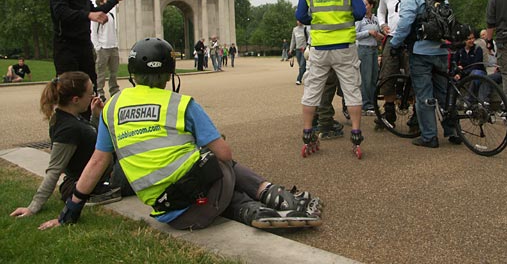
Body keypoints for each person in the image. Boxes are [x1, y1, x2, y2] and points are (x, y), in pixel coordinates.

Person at [38, 38, 322, 231]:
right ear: (169, 73)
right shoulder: (180, 104)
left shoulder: (112, 107)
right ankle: (271, 196)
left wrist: (71, 210)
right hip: (207, 196)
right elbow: (225, 156)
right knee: (216, 158)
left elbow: (98, 162)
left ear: (133, 73)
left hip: (171, 214)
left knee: (196, 179)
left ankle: (252, 209)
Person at [10, 72, 121, 219]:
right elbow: (54, 170)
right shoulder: (68, 128)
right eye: (90, 93)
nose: (93, 96)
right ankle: (98, 193)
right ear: (75, 99)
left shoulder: (66, 116)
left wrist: (96, 116)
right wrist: (33, 207)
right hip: (99, 180)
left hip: (98, 174)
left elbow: (90, 140)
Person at [295, 0, 366, 156]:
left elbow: (300, 14)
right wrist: (343, 18)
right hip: (344, 45)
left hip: (319, 46)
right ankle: (355, 134)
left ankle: (308, 133)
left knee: (312, 89)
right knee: (352, 89)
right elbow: (361, 12)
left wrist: (317, 20)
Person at [389, 0, 461, 148]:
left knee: (424, 95)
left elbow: (404, 25)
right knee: (444, 92)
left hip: (420, 51)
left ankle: (429, 137)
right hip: (440, 50)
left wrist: (395, 44)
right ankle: (453, 130)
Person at [49, 0, 127, 91]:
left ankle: (90, 114)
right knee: (70, 92)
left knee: (90, 88)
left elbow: (94, 10)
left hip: (83, 46)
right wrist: (88, 15)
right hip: (66, 47)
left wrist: (115, 0)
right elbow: (61, 12)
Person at [376, 0, 416, 129]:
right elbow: (380, 11)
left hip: (410, 39)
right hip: (392, 38)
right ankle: (389, 112)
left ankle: (416, 115)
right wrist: (382, 25)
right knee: (387, 75)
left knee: (413, 75)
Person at [355, 0, 384, 115]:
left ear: (371, 6)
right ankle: (365, 105)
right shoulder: (359, 19)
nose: (364, 7)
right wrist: (368, 32)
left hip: (374, 49)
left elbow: (379, 33)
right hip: (364, 49)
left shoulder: (376, 19)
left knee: (373, 78)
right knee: (365, 78)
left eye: (366, 4)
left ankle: (373, 102)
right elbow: (354, 34)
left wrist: (380, 36)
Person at [91, 0, 120, 102]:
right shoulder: (96, 16)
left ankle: (114, 91)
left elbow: (114, 30)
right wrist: (98, 47)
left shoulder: (111, 15)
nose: (108, 2)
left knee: (114, 71)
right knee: (101, 72)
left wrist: (116, 43)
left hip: (113, 47)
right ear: (100, 4)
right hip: (103, 48)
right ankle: (100, 92)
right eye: (105, 1)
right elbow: (93, 33)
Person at [289, 21, 309, 85]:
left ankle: (299, 79)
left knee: (302, 64)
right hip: (297, 49)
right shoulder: (295, 29)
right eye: (298, 20)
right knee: (301, 65)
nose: (299, 22)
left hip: (304, 49)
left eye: (300, 20)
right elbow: (293, 40)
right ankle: (307, 76)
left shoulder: (305, 28)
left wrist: (307, 46)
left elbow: (309, 38)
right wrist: (291, 49)